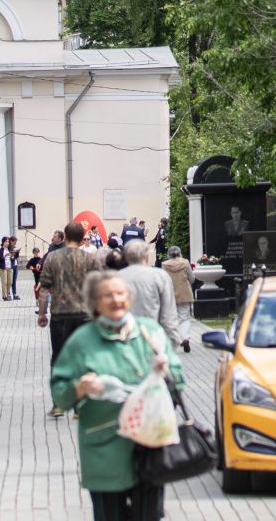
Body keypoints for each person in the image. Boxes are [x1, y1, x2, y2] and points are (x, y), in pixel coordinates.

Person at [49, 269, 185, 521]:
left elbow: (178, 378)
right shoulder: (82, 341)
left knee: (150, 515)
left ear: (129, 298)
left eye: (120, 293)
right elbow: (59, 394)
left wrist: (166, 371)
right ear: (94, 303)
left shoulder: (150, 332)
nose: (115, 300)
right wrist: (80, 388)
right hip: (104, 447)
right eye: (107, 295)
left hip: (149, 443)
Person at [39, 221, 97, 418]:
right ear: (82, 239)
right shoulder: (90, 260)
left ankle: (58, 404)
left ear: (65, 236)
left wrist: (41, 313)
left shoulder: (53, 258)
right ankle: (80, 405)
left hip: (60, 314)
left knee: (58, 358)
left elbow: (44, 288)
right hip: (84, 315)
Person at [117, 240, 185, 351]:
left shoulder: (117, 277)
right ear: (146, 256)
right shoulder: (159, 276)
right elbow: (168, 314)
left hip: (124, 341)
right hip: (153, 339)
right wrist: (173, 341)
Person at [160, 246, 195, 352]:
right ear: (179, 253)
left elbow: (163, 279)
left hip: (170, 294)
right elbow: (192, 278)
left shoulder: (164, 265)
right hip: (185, 293)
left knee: (171, 318)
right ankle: (185, 338)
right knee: (184, 317)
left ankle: (175, 339)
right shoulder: (185, 263)